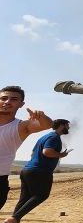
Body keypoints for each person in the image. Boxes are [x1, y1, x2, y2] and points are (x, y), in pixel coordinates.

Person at [2, 118, 70, 223]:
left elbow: (33, 153)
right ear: (61, 125)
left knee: (24, 199)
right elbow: (47, 152)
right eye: (67, 125)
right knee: (41, 195)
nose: (68, 128)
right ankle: (12, 219)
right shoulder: (54, 137)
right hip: (40, 171)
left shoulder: (44, 137)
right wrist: (61, 155)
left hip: (28, 170)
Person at [0, 86, 53, 215]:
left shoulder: (21, 126)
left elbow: (47, 125)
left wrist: (41, 116)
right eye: (4, 98)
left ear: (21, 104)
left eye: (13, 99)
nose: (7, 102)